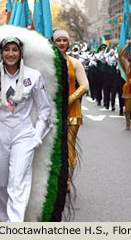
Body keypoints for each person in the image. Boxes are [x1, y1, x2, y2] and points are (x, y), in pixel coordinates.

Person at [0, 36, 51, 222]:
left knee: (17, 183)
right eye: (7, 50)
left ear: (21, 52)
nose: (10, 54)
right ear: (1, 53)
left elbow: (45, 110)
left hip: (24, 134)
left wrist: (37, 135)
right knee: (1, 185)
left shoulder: (33, 76)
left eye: (15, 49)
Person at [53, 30, 89, 187]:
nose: (61, 43)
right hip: (53, 112)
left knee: (69, 146)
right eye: (58, 40)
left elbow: (85, 86)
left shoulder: (75, 63)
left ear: (68, 43)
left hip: (72, 110)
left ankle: (67, 179)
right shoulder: (47, 62)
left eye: (64, 40)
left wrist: (69, 100)